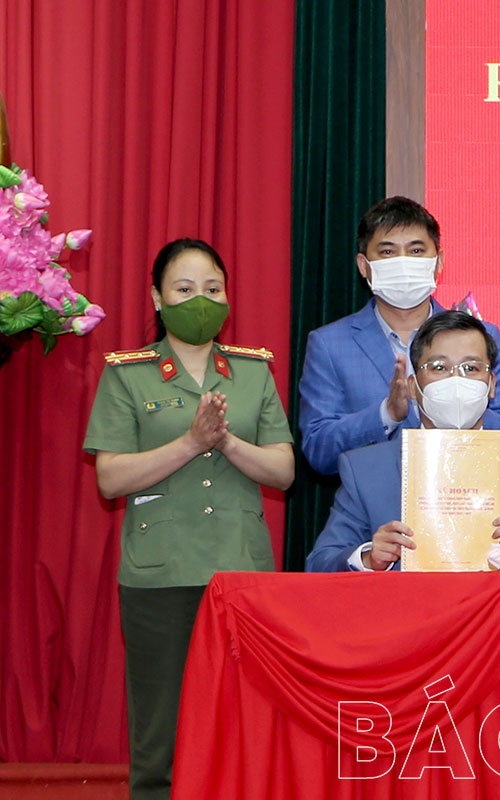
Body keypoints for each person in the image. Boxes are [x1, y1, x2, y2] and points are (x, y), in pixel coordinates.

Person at [83, 239, 294, 799]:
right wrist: (190, 442)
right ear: (157, 297)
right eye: (184, 288)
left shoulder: (252, 370)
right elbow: (110, 478)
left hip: (240, 568)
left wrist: (225, 442)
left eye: (212, 288)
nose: (200, 300)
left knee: (247, 715)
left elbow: (283, 470)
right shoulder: (128, 374)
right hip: (160, 574)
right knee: (161, 727)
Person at [307, 311, 500, 572]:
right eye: (439, 368)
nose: (456, 380)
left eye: (471, 368)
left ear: (491, 385)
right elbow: (319, 564)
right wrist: (368, 558)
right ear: (412, 386)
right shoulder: (365, 470)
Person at [298, 196, 500, 476]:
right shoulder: (329, 344)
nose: (404, 263)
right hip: (376, 500)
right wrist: (386, 414)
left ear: (438, 261)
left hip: (468, 492)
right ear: (364, 265)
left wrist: (462, 408)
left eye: (416, 251)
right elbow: (319, 450)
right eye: (388, 252)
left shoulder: (481, 335)